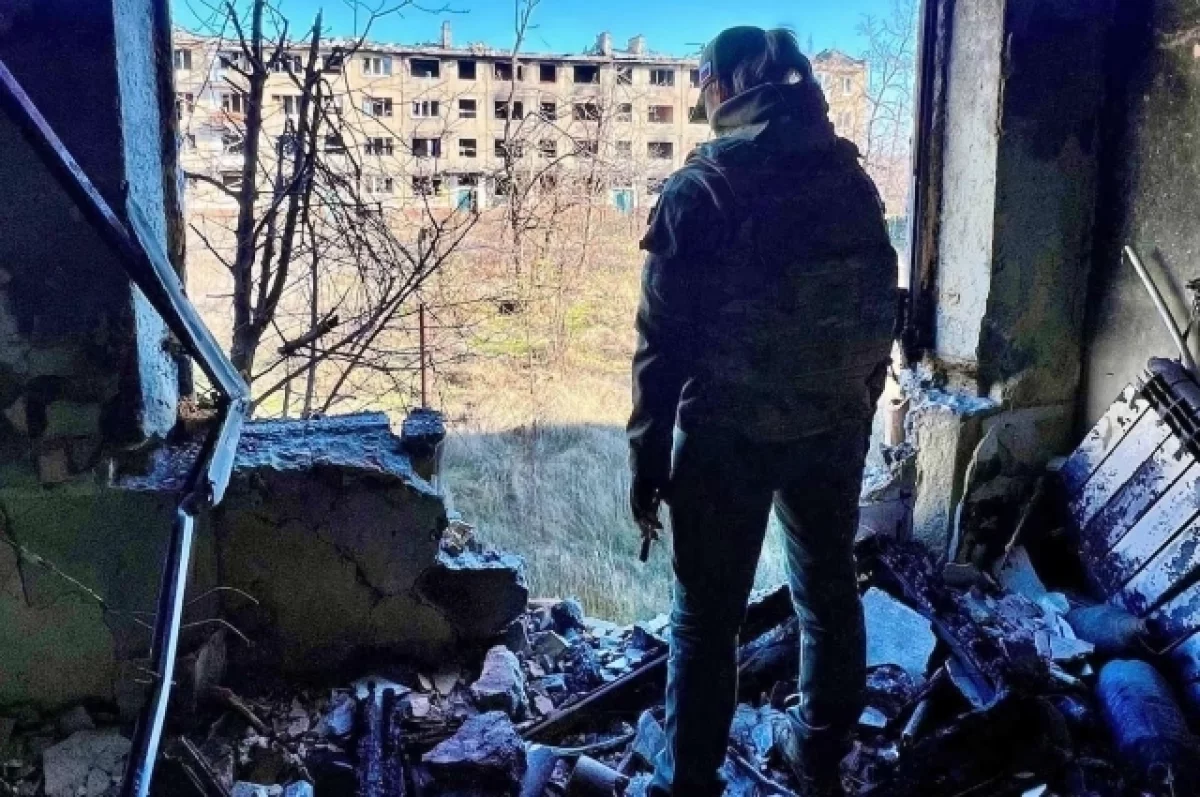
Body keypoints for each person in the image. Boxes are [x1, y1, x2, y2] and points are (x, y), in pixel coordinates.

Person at [627, 26, 898, 797]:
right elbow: (881, 306)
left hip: (727, 439)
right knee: (828, 591)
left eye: (701, 86)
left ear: (720, 88)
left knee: (704, 621)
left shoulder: (702, 188)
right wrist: (857, 406)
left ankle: (689, 781)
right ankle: (819, 753)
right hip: (832, 428)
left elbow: (661, 347)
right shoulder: (851, 182)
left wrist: (647, 458)